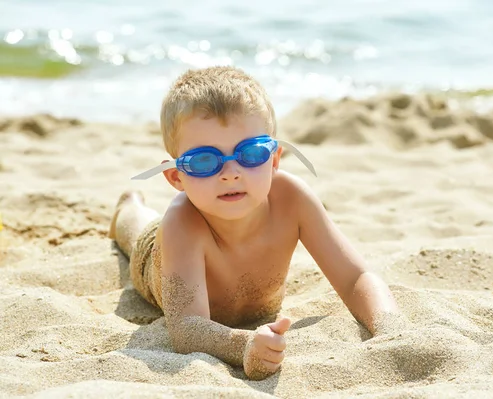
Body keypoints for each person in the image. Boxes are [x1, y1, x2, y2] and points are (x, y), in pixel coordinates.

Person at [109, 66, 401, 380]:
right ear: (177, 177)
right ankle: (131, 205)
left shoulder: (292, 199)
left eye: (250, 153)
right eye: (205, 161)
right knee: (136, 231)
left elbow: (356, 276)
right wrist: (244, 344)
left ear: (274, 159)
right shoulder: (182, 222)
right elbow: (186, 329)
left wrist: (390, 328)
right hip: (154, 257)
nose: (231, 172)